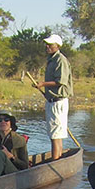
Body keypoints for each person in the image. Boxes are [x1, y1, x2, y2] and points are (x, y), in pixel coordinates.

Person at [37, 34, 73, 162]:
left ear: (57, 46)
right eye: (47, 44)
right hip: (51, 101)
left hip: (59, 102)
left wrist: (42, 84)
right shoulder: (51, 59)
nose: (47, 47)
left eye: (50, 45)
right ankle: (56, 159)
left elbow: (60, 82)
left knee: (56, 135)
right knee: (53, 134)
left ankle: (56, 161)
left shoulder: (60, 60)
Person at [0, 112, 29, 177]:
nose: (3, 122)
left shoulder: (20, 140)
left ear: (11, 123)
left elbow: (25, 166)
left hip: (15, 173)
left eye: (6, 120)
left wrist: (11, 157)